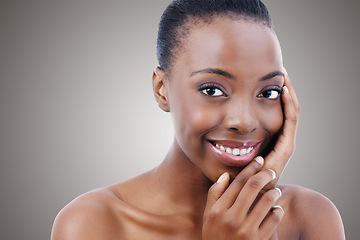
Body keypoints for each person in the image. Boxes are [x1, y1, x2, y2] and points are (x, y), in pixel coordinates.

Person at [51, 0, 345, 239]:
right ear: (161, 89)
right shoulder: (94, 224)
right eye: (212, 89)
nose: (244, 122)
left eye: (267, 92)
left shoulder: (310, 216)